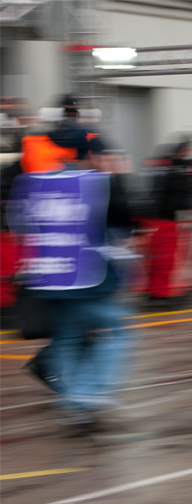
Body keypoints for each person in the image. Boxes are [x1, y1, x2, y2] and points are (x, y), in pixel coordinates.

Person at [9, 135, 136, 431]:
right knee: (118, 333)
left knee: (67, 336)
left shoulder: (39, 182)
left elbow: (20, 223)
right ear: (94, 156)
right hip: (90, 278)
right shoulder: (99, 182)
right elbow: (125, 224)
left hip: (50, 278)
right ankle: (88, 392)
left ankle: (73, 405)